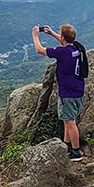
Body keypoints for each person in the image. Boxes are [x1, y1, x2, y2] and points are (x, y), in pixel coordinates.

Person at [32, 23, 86, 161]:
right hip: (78, 90)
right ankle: (66, 146)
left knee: (70, 122)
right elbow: (66, 41)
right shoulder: (77, 48)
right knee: (67, 121)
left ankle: (76, 152)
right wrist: (52, 33)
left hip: (67, 93)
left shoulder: (62, 53)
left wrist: (35, 35)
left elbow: (39, 49)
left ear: (63, 38)